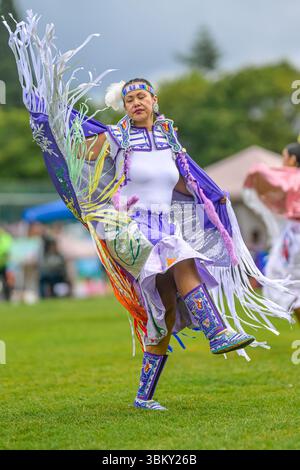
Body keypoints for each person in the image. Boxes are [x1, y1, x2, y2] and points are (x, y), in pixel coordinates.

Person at [3, 11, 293, 411]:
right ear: (124, 106)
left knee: (163, 313)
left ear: (155, 101)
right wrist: (51, 117)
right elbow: (78, 145)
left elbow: (181, 183)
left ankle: (143, 397)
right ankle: (218, 332)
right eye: (129, 98)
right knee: (179, 253)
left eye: (142, 96)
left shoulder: (169, 137)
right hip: (129, 227)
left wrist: (211, 198)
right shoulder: (114, 138)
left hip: (165, 224)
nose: (136, 102)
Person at [244, 143, 300, 323]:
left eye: (284, 157)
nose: (283, 162)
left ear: (292, 159)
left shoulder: (292, 178)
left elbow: (262, 174)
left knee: (289, 283)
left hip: (295, 238)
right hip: (292, 236)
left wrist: (257, 169)